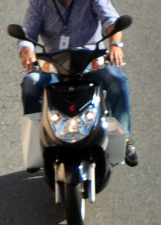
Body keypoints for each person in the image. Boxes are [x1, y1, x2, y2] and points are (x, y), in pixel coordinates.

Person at [17, 0, 138, 166]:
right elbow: (28, 35)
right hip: (55, 64)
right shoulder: (40, 2)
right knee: (30, 82)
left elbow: (111, 20)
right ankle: (35, 147)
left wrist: (115, 45)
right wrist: (26, 52)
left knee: (116, 79)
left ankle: (122, 139)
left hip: (91, 61)